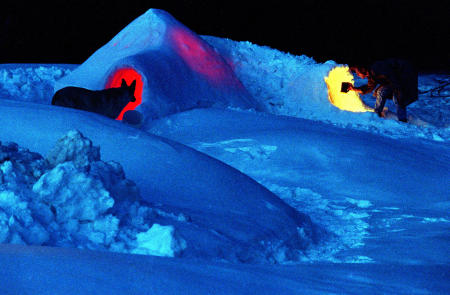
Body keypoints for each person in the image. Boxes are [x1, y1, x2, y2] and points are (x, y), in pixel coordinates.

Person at [348, 59, 418, 122]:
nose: (357, 75)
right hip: (393, 82)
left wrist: (399, 90)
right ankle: (377, 113)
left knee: (397, 97)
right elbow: (369, 87)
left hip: (402, 78)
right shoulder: (371, 74)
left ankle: (402, 120)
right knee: (381, 92)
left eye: (357, 73)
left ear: (362, 70)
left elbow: (393, 76)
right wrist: (354, 89)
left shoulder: (377, 68)